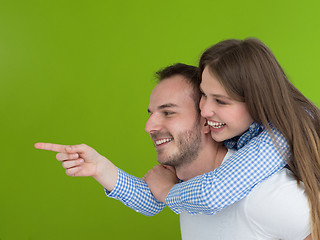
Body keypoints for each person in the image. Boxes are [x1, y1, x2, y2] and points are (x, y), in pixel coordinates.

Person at [35, 63, 311, 239]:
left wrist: (168, 192)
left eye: (168, 112)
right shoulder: (185, 188)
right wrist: (101, 168)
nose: (148, 126)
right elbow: (155, 200)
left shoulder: (261, 194)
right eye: (152, 113)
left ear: (207, 119)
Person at [144, 39, 320, 239]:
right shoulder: (218, 152)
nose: (205, 110)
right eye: (203, 94)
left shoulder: (275, 145)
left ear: (256, 103)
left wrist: (169, 192)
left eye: (221, 101)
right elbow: (150, 197)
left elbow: (213, 193)